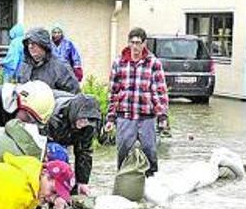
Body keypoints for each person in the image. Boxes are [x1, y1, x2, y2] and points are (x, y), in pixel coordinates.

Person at [105, 27, 169, 176]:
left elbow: (160, 91)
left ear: (144, 43)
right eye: (132, 42)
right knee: (123, 150)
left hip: (146, 116)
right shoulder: (119, 63)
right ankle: (122, 179)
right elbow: (113, 92)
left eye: (138, 43)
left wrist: (162, 116)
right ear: (128, 43)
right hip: (125, 116)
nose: (135, 46)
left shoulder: (153, 63)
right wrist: (110, 118)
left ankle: (152, 179)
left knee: (150, 151)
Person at [45, 92, 101, 198]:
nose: (84, 124)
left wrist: (82, 182)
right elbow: (41, 149)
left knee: (73, 182)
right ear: (76, 113)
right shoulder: (55, 117)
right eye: (82, 119)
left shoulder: (88, 126)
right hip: (48, 135)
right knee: (57, 154)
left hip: (65, 134)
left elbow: (84, 152)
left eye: (88, 121)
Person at [17, 28, 80, 94]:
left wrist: (49, 95)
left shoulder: (60, 67)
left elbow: (73, 95)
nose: (30, 46)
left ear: (43, 45)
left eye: (33, 43)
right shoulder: (25, 66)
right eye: (28, 43)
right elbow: (21, 88)